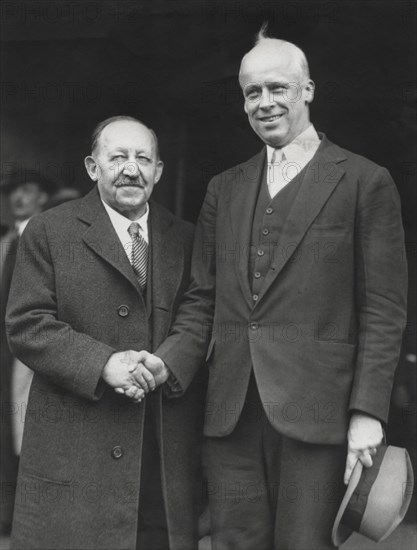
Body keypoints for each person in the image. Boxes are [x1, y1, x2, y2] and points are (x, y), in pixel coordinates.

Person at [137, 29, 408, 549]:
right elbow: (203, 299)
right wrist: (166, 362)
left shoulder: (365, 182)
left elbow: (384, 309)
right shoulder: (224, 188)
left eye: (278, 88)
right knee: (233, 543)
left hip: (320, 416)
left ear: (308, 90)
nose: (265, 103)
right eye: (252, 92)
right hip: (230, 413)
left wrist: (368, 413)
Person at [6, 116, 204, 550]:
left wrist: (167, 362)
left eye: (142, 159)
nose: (131, 169)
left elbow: (199, 312)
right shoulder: (49, 231)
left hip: (157, 447)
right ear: (93, 168)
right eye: (117, 158)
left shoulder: (185, 237)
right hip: (75, 448)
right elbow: (27, 323)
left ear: (159, 171)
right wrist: (104, 364)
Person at [0, 170, 54, 535]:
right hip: (4, 351)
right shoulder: (6, 240)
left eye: (29, 189)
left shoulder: (48, 235)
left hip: (30, 348)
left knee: (29, 424)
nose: (20, 197)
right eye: (14, 191)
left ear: (43, 197)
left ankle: (30, 517)